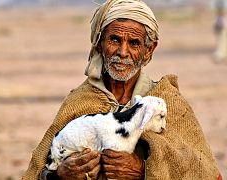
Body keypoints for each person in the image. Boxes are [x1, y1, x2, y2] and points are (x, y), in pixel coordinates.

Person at [23, 0, 222, 179]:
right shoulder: (79, 102)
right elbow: (35, 173)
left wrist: (143, 171)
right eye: (115, 40)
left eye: (134, 43)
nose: (123, 52)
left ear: (149, 50)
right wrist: (59, 175)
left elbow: (206, 173)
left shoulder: (168, 101)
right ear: (100, 44)